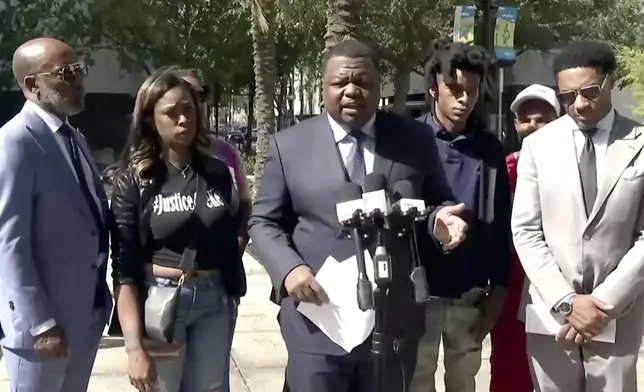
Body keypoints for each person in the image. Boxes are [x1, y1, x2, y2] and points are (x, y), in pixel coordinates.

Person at [248, 39, 468, 392]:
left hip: (393, 320)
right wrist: (289, 269)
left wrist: (440, 221)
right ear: (323, 87)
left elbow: (435, 203)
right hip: (318, 319)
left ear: (379, 85)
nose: (352, 90)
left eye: (362, 82)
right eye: (340, 83)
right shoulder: (288, 145)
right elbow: (263, 221)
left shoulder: (414, 138)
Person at [512, 40, 644, 392]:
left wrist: (603, 304)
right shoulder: (538, 146)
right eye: (567, 97)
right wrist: (567, 302)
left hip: (617, 313)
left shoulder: (641, 142)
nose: (579, 104)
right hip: (551, 314)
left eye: (589, 91)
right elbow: (526, 230)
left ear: (610, 81)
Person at [109, 70, 246, 392]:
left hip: (214, 299)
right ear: (149, 119)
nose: (183, 119)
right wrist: (133, 347)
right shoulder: (135, 180)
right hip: (163, 300)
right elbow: (124, 268)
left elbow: (229, 233)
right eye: (171, 113)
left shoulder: (216, 172)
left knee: (211, 388)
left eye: (189, 109)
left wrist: (232, 290)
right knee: (163, 388)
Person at [0, 37, 111, 391]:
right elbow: (9, 242)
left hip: (85, 315)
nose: (79, 81)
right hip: (44, 329)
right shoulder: (14, 142)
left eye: (80, 70)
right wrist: (40, 323)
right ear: (32, 85)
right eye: (66, 73)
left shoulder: (72, 138)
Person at [410, 41, 511, 392]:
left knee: (464, 381)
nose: (464, 99)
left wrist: (498, 290)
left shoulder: (489, 148)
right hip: (419, 292)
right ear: (434, 89)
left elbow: (501, 224)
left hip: (470, 292)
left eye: (470, 90)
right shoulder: (410, 142)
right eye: (455, 90)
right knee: (417, 380)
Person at [170, 65, 252, 391]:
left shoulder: (225, 153)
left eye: (197, 96)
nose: (191, 104)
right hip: (165, 290)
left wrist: (237, 244)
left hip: (219, 285)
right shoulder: (150, 156)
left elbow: (244, 205)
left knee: (213, 381)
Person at [489, 84, 560, 392]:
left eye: (542, 119)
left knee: (555, 371)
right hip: (511, 285)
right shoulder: (505, 170)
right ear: (515, 123)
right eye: (526, 119)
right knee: (508, 367)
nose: (533, 126)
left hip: (558, 287)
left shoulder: (573, 168)